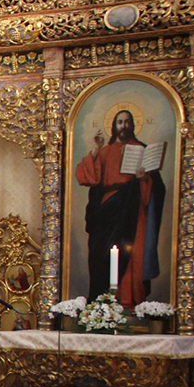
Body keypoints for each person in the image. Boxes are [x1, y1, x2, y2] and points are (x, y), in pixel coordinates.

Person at [74, 109, 166, 309]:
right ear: (114, 126)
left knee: (133, 253)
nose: (123, 126)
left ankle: (130, 302)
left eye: (127, 122)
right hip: (107, 209)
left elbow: (157, 189)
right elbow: (86, 177)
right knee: (101, 255)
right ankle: (103, 302)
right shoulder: (105, 152)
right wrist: (96, 149)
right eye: (119, 122)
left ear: (132, 125)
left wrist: (144, 179)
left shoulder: (141, 149)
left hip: (133, 208)